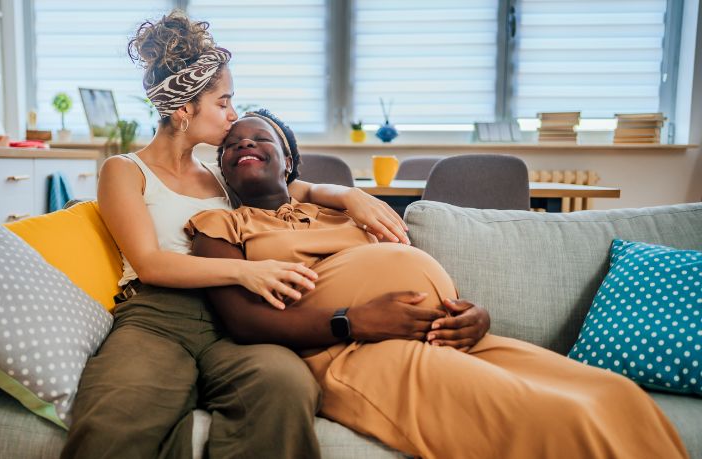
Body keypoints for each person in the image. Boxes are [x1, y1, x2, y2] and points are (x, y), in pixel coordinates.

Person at [184, 110, 689, 459]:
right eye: (230, 146)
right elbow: (242, 321)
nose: (243, 144)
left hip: (446, 337)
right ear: (222, 169)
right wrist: (351, 321)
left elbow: (405, 267)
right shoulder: (222, 225)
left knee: (613, 395)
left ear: (289, 162)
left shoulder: (345, 210)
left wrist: (474, 314)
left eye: (259, 138)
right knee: (560, 416)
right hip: (348, 351)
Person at [62, 11, 425, 459]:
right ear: (183, 109)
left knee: (285, 386)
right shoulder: (124, 170)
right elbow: (151, 262)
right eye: (223, 102)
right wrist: (244, 272)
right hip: (159, 319)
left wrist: (352, 196)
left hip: (233, 320)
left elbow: (302, 187)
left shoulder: (221, 169)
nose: (234, 115)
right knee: (116, 414)